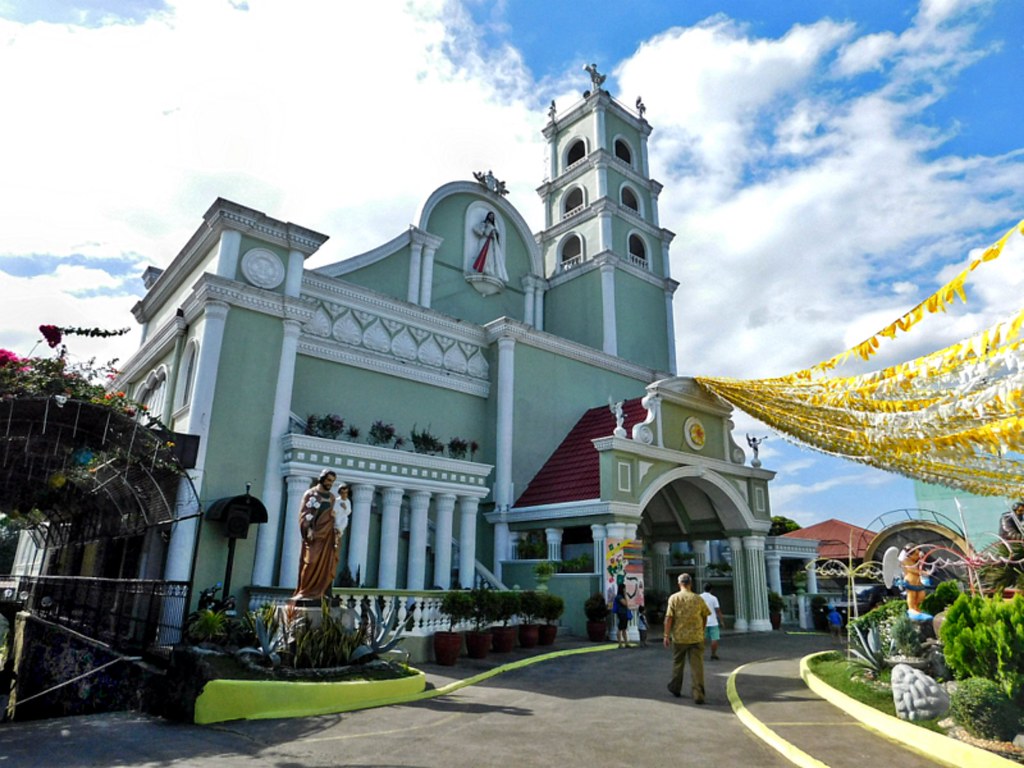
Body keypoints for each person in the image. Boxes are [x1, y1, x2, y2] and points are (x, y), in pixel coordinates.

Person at [291, 469, 348, 601]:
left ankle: (322, 593)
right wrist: (308, 529)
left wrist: (337, 527)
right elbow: (304, 514)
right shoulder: (310, 494)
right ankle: (304, 592)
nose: (330, 483)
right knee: (310, 562)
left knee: (327, 565)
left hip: (328, 536)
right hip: (314, 536)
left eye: (332, 481)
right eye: (328, 480)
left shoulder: (332, 497)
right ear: (321, 478)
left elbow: (335, 515)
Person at [664, 573, 710, 704]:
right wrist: (702, 629)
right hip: (696, 637)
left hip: (679, 637)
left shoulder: (674, 598)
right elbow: (705, 615)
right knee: (697, 666)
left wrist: (666, 635)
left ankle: (675, 687)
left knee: (678, 663)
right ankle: (698, 694)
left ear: (679, 584)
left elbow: (669, 618)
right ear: (690, 584)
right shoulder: (698, 599)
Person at [471, 211, 508, 282]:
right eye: (490, 215)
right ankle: (482, 269)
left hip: (491, 243)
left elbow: (497, 238)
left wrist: (495, 234)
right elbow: (476, 229)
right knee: (483, 254)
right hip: (484, 240)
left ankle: (489, 270)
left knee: (490, 257)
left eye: (493, 216)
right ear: (488, 216)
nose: (491, 217)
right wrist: (484, 228)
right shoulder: (484, 223)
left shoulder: (494, 227)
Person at [700, 583, 724, 660]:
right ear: (711, 589)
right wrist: (721, 621)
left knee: (702, 639)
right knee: (714, 639)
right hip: (713, 622)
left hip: (702, 621)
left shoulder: (699, 597)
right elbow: (718, 610)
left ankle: (700, 654)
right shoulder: (714, 598)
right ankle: (713, 654)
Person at [613, 582, 631, 648]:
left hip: (624, 613)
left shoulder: (620, 596)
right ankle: (620, 643)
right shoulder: (619, 597)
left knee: (624, 628)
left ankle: (626, 642)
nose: (625, 589)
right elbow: (625, 603)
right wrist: (625, 595)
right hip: (621, 613)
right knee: (620, 628)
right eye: (624, 588)